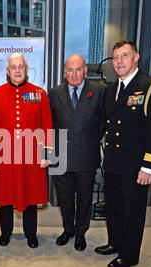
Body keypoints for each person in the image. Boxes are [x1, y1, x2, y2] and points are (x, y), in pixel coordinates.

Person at [94, 40, 151, 267]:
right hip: (115, 162)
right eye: (116, 57)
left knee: (132, 211)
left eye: (124, 56)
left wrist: (148, 167)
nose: (119, 62)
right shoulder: (111, 90)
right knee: (114, 207)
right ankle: (115, 243)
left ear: (136, 58)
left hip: (136, 165)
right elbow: (107, 126)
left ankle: (129, 255)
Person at [0, 53, 53, 249]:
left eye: (21, 67)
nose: (17, 70)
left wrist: (47, 153)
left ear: (26, 69)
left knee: (31, 196)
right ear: (7, 71)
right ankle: (6, 233)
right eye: (13, 67)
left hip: (32, 155)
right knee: (5, 197)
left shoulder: (39, 93)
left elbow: (47, 124)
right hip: (4, 154)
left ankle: (31, 234)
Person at [48, 54, 105, 251]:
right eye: (70, 70)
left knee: (84, 197)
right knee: (64, 197)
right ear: (64, 72)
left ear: (85, 70)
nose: (74, 74)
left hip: (86, 155)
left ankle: (81, 233)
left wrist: (87, 140)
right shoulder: (54, 93)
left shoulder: (98, 92)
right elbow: (50, 124)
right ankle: (68, 230)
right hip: (61, 156)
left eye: (78, 69)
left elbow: (103, 124)